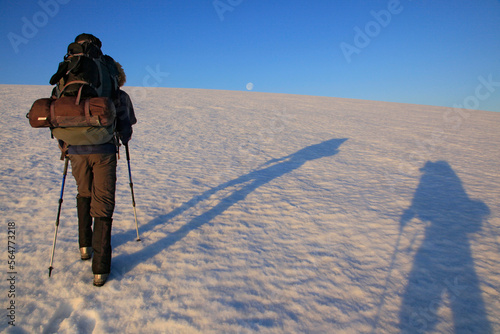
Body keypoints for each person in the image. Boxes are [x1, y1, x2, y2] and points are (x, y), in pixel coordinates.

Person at [56, 33, 136, 287]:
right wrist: (124, 135)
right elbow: (121, 106)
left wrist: (65, 142)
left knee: (84, 192)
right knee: (103, 201)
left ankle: (84, 246)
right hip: (103, 148)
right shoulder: (108, 69)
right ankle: (100, 269)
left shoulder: (67, 70)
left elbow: (58, 109)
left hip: (74, 146)